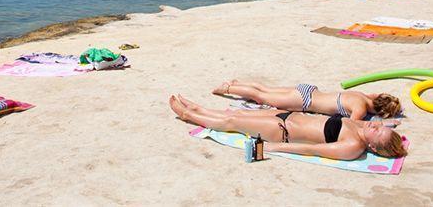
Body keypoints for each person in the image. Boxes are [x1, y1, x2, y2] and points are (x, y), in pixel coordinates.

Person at [168, 95, 406, 161]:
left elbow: (314, 151)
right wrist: (390, 124)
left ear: (373, 147)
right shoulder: (363, 126)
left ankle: (188, 115)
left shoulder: (353, 146)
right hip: (290, 115)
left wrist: (275, 147)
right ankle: (199, 108)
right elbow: (385, 121)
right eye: (379, 127)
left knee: (231, 123)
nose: (375, 128)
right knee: (238, 113)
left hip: (281, 129)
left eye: (378, 133)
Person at [212, 80, 402, 121]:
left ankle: (236, 83)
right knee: (262, 97)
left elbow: (377, 95)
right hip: (304, 101)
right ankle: (227, 88)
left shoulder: (362, 96)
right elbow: (352, 126)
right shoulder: (360, 108)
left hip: (310, 90)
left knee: (266, 90)